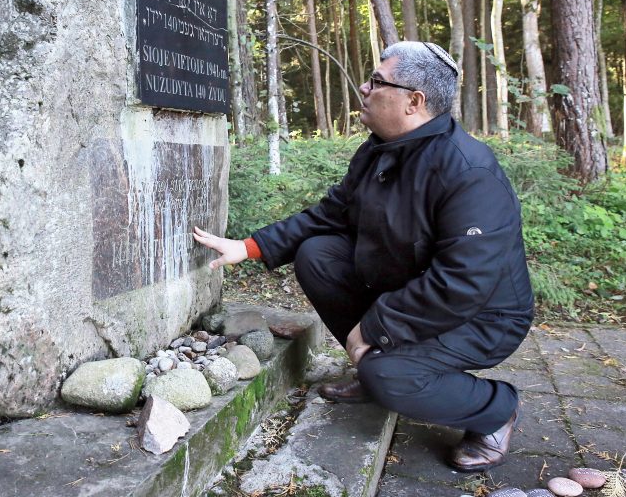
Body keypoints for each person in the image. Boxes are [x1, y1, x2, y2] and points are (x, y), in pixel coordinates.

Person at [193, 41, 534, 473]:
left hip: (482, 316)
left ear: (414, 101)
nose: (363, 87)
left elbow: (462, 283)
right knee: (317, 255)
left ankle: (494, 409)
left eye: (376, 81)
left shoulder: (469, 172)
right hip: (412, 289)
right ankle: (376, 364)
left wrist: (376, 327)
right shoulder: (380, 149)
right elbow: (331, 214)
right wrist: (249, 247)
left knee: (389, 375)